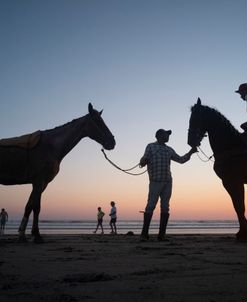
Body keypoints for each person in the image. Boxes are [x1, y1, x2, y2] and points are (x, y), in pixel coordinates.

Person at [139, 129, 197, 241]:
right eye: (166, 134)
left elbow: (180, 160)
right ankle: (144, 234)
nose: (168, 136)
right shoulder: (150, 146)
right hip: (155, 181)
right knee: (150, 206)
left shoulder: (169, 149)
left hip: (168, 182)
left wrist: (191, 152)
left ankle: (161, 235)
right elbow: (143, 159)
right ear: (159, 135)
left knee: (165, 207)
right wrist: (143, 161)